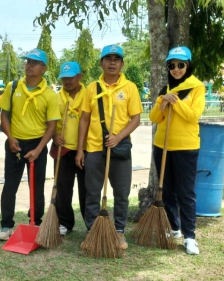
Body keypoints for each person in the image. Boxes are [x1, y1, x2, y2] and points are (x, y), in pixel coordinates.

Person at [76, 44, 141, 250]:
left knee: (121, 192)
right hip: (94, 148)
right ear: (101, 63)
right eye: (108, 59)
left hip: (120, 148)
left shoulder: (129, 87)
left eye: (116, 59)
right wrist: (80, 149)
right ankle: (92, 231)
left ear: (122, 63)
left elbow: (136, 118)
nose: (112, 62)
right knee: (92, 192)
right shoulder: (91, 88)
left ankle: (120, 231)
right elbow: (84, 120)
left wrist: (118, 137)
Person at [0, 48, 60, 241]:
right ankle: (6, 224)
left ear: (44, 68)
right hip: (14, 143)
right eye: (27, 62)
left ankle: (36, 221)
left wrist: (39, 149)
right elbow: (4, 115)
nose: (29, 66)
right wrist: (10, 137)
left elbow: (51, 127)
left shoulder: (50, 95)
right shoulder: (13, 86)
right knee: (10, 185)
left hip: (38, 145)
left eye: (34, 63)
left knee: (37, 186)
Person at [149, 46, 205, 255]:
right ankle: (174, 228)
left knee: (186, 193)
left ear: (188, 65)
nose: (176, 69)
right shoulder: (165, 89)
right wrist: (163, 103)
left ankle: (190, 236)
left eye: (180, 65)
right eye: (172, 65)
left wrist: (177, 102)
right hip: (162, 146)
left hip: (186, 147)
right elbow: (154, 119)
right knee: (168, 191)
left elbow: (193, 115)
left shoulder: (196, 87)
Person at [53, 61, 87, 236]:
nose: (67, 81)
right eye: (64, 78)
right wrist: (53, 136)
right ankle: (65, 222)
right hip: (63, 148)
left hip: (85, 148)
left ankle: (89, 221)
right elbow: (48, 122)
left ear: (79, 76)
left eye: (71, 77)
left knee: (86, 188)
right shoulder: (56, 97)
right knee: (63, 187)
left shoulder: (89, 95)